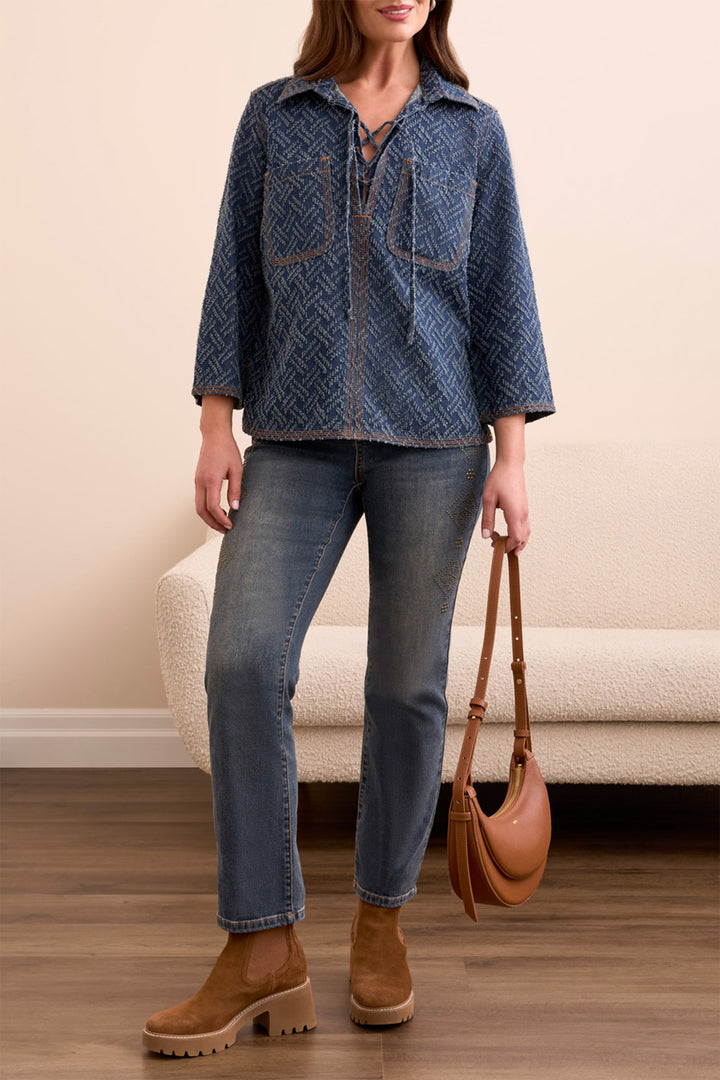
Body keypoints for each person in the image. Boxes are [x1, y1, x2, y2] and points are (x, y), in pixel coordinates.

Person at [142, 0, 555, 1057]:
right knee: (240, 663)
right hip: (295, 441)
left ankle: (382, 924)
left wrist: (512, 456)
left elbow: (505, 294)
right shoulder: (273, 118)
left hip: (438, 446)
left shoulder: (474, 129)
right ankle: (264, 946)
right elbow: (233, 273)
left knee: (405, 687)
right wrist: (215, 426)